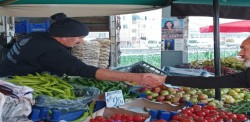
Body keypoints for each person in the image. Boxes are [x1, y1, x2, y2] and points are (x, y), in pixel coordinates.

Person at [0, 13, 160, 87]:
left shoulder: (38, 36)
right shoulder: (53, 52)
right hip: (13, 85)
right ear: (64, 36)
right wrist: (135, 77)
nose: (81, 41)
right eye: (79, 37)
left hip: (6, 74)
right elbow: (84, 71)